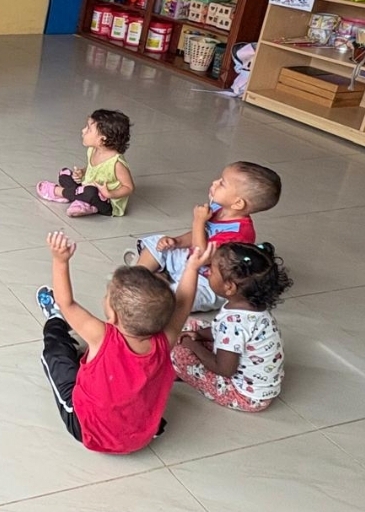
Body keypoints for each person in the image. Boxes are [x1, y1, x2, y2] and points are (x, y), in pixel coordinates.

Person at [36, 230, 213, 454]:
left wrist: (60, 261)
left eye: (107, 295)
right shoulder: (165, 339)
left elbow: (66, 303)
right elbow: (183, 304)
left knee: (54, 354)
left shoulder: (101, 336)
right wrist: (192, 268)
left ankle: (54, 320)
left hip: (89, 431)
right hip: (141, 435)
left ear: (112, 315)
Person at [126, 161, 281, 312]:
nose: (214, 182)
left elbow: (202, 256)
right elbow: (200, 235)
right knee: (157, 242)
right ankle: (137, 276)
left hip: (209, 280)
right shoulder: (218, 207)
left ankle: (159, 284)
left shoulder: (239, 233)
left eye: (222, 183)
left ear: (238, 203)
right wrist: (177, 241)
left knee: (179, 300)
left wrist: (198, 221)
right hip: (189, 260)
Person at [171, 243, 291, 412]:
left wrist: (192, 345)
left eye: (211, 271)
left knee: (179, 353)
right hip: (262, 388)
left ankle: (179, 370)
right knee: (192, 325)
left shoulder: (233, 322)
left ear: (229, 287)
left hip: (245, 396)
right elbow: (222, 331)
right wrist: (198, 334)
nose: (207, 272)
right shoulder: (253, 308)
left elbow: (224, 369)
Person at [36, 109, 134, 218]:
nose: (83, 130)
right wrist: (82, 172)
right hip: (88, 185)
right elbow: (93, 169)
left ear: (102, 140)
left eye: (88, 129)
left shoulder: (116, 164)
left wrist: (109, 194)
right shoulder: (93, 150)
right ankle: (81, 199)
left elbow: (129, 187)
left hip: (106, 202)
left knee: (90, 192)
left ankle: (59, 192)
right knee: (64, 174)